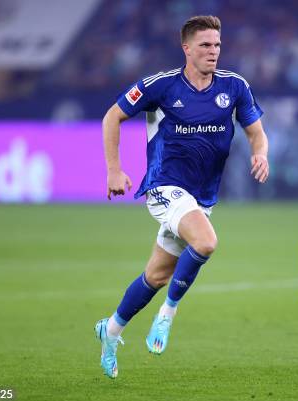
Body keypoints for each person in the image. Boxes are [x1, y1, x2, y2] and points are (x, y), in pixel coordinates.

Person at [95, 15, 269, 379]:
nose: (214, 52)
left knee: (156, 276)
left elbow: (256, 131)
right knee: (206, 242)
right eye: (205, 45)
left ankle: (110, 331)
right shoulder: (160, 86)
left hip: (201, 197)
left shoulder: (234, 87)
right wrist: (114, 169)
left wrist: (260, 153)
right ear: (186, 48)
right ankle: (167, 315)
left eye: (217, 45)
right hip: (164, 187)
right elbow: (112, 116)